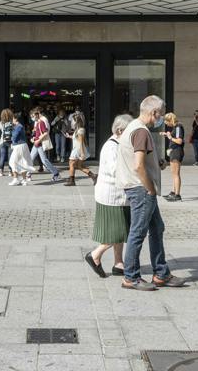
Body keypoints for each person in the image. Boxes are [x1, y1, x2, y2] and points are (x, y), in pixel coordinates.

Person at [118, 95, 182, 290]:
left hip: (138, 188)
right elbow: (138, 165)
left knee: (157, 228)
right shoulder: (141, 132)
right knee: (138, 232)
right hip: (141, 189)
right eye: (160, 114)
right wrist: (150, 189)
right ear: (154, 113)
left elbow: (139, 160)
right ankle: (131, 276)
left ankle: (161, 273)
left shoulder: (133, 127)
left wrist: (157, 162)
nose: (161, 118)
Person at [86, 114, 133, 279]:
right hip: (112, 196)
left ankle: (118, 263)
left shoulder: (120, 144)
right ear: (120, 130)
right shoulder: (111, 147)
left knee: (119, 230)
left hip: (118, 196)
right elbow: (116, 170)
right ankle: (95, 255)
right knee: (118, 231)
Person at [161, 112, 187, 201]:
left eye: (167, 122)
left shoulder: (178, 126)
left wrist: (169, 137)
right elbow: (174, 136)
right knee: (173, 174)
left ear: (170, 120)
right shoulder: (176, 127)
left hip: (177, 152)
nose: (167, 124)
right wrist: (166, 134)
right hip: (174, 151)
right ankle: (173, 192)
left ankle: (177, 195)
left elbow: (179, 141)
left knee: (176, 174)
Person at [66, 111, 93, 187]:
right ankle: (93, 176)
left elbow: (81, 142)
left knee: (71, 163)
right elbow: (77, 139)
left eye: (73, 121)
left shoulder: (80, 130)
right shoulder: (78, 130)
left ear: (76, 122)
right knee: (78, 166)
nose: (72, 123)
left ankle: (72, 180)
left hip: (77, 150)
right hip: (77, 149)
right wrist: (69, 136)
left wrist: (82, 152)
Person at [6, 110, 32, 187]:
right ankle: (23, 180)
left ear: (15, 119)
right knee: (21, 162)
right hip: (21, 146)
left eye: (12, 119)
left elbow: (14, 137)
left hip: (19, 146)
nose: (11, 121)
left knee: (13, 162)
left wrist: (10, 135)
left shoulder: (18, 127)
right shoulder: (19, 126)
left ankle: (16, 179)